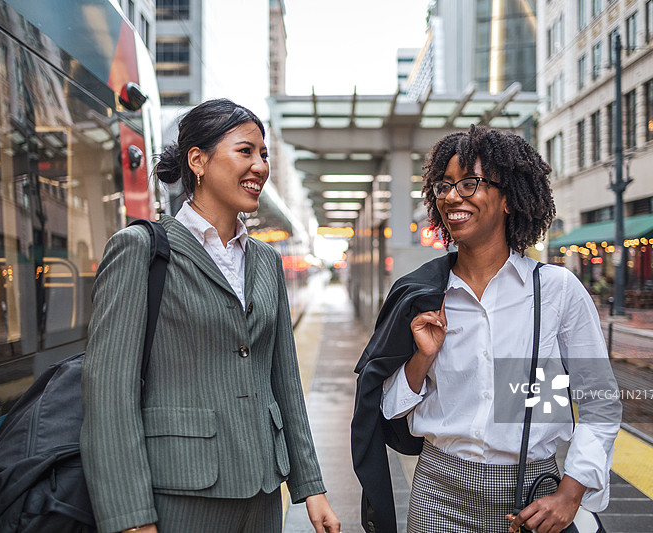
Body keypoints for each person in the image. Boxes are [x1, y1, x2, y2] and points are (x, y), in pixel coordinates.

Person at [81, 98, 340, 533]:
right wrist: (131, 518)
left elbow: (285, 382)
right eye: (245, 151)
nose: (260, 165)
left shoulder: (267, 261)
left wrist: (311, 486)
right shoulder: (141, 250)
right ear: (197, 161)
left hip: (261, 495)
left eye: (264, 155)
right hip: (178, 495)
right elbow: (109, 392)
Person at [351, 125, 621, 533]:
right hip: (439, 494)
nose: (452, 196)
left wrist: (571, 493)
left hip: (531, 497)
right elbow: (388, 409)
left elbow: (600, 403)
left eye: (470, 183)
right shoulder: (424, 295)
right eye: (444, 186)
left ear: (509, 197)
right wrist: (422, 358)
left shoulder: (555, 291)